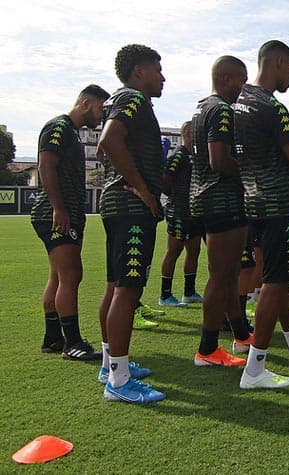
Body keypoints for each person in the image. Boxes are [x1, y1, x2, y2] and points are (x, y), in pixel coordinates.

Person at [235, 40, 289, 389]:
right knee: (276, 281)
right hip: (278, 204)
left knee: (277, 278)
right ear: (278, 63)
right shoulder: (273, 107)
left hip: (253, 202)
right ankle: (254, 369)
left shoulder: (239, 102)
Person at [96, 44, 166, 403]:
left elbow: (109, 142)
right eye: (157, 69)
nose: (163, 76)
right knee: (128, 290)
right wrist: (143, 189)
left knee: (115, 285)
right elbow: (108, 140)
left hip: (116, 204)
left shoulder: (121, 101)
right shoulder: (133, 99)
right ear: (139, 71)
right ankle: (119, 382)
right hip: (130, 206)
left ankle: (111, 365)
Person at [31, 84, 110, 361]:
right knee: (71, 275)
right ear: (86, 103)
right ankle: (72, 343)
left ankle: (53, 338)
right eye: (101, 108)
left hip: (65, 212)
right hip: (56, 213)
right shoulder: (59, 127)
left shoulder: (72, 133)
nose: (102, 116)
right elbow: (45, 165)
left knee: (58, 276)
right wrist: (58, 208)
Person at [189, 55, 252, 367]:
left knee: (227, 275)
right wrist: (251, 172)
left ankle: (241, 335)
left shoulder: (202, 107)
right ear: (227, 79)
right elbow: (219, 160)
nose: (245, 87)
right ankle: (208, 348)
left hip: (208, 199)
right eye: (242, 79)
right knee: (222, 275)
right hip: (222, 200)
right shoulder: (222, 110)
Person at [158, 121, 204, 307]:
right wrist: (176, 198)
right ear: (187, 133)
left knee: (194, 250)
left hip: (194, 212)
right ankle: (165, 295)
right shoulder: (179, 155)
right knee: (174, 251)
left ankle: (189, 291)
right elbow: (165, 180)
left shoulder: (196, 156)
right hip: (179, 211)